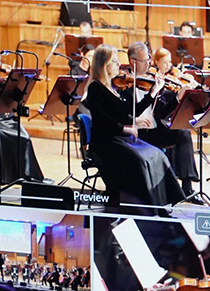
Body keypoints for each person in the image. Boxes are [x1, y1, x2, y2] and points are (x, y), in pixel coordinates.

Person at [78, 44, 185, 207]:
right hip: (105, 144)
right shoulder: (95, 88)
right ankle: (144, 206)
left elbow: (128, 111)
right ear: (104, 65)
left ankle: (161, 202)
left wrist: (152, 93)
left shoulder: (111, 88)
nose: (119, 65)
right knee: (140, 161)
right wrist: (125, 128)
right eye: (114, 61)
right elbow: (102, 121)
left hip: (118, 139)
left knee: (157, 155)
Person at [0, 43, 44, 184]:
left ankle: (22, 174)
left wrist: (16, 82)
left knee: (24, 136)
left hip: (7, 118)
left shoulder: (2, 75)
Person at [144, 46, 201, 195]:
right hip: (152, 127)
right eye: (165, 62)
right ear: (156, 62)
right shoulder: (150, 80)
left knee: (184, 132)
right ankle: (181, 186)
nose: (169, 65)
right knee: (182, 132)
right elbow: (159, 111)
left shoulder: (170, 79)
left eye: (170, 62)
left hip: (166, 122)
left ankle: (187, 185)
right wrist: (173, 94)